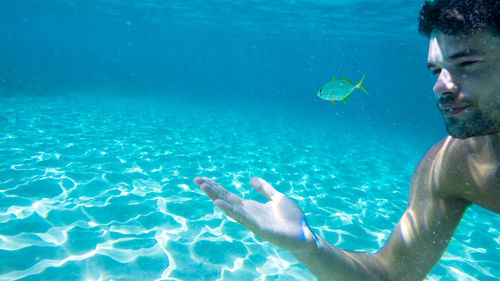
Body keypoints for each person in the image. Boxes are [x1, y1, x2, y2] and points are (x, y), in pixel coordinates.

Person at [194, 0, 500, 280]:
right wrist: (308, 247)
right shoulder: (452, 167)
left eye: (467, 64)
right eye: (437, 69)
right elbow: (390, 275)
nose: (440, 86)